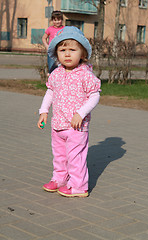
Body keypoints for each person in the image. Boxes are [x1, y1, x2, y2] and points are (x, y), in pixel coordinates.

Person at [37, 26, 101, 197]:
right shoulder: (56, 74)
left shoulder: (85, 75)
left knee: (75, 158)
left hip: (76, 127)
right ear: (56, 52)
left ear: (82, 54)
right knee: (59, 156)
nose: (67, 54)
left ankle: (79, 186)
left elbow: (94, 96)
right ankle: (59, 179)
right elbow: (50, 92)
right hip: (58, 124)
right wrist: (44, 111)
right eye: (62, 49)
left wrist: (81, 113)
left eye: (72, 50)